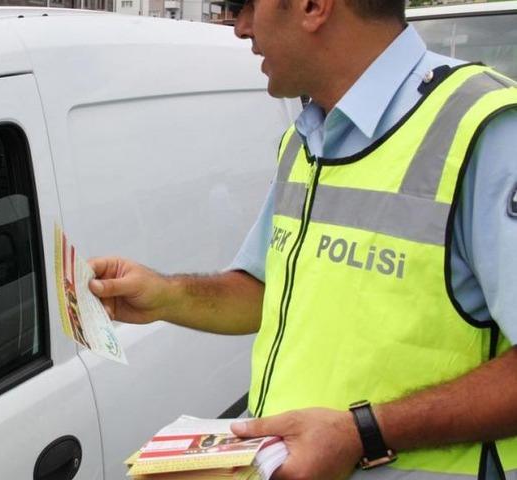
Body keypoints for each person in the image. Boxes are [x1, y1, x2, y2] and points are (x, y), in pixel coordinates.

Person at [88, 0, 517, 477]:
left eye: (246, 5)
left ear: (314, 7)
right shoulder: (307, 139)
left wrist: (363, 433)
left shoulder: (490, 130)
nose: (239, 28)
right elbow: (271, 291)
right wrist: (166, 295)